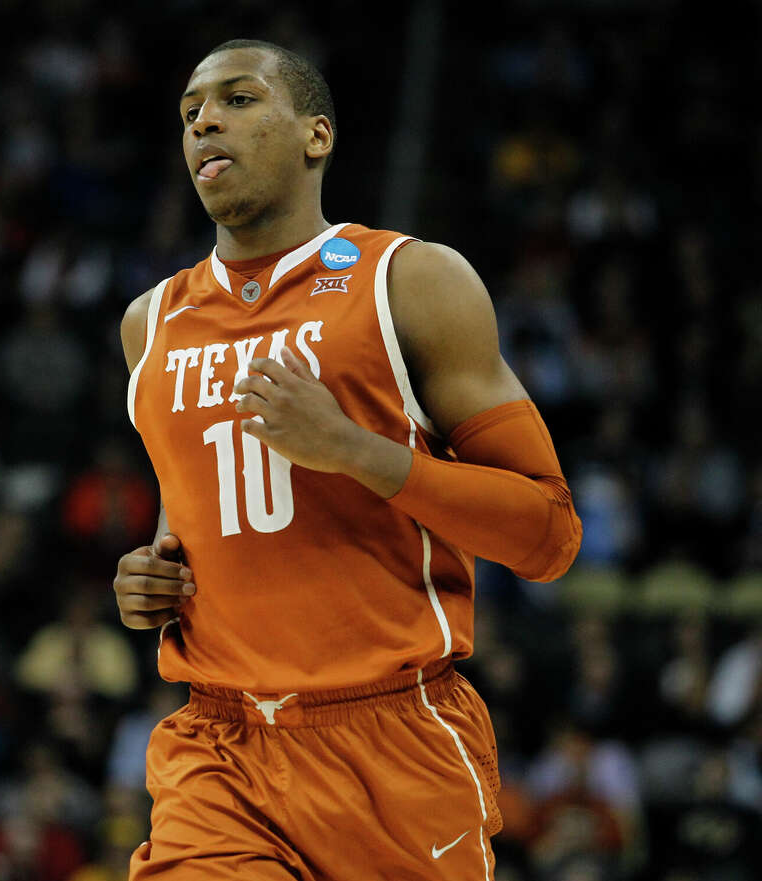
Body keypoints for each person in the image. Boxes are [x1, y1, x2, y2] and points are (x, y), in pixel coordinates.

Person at [112, 39, 582, 880]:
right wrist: (148, 577)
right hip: (218, 746)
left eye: (238, 99)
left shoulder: (411, 281)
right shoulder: (152, 324)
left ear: (315, 135)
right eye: (189, 112)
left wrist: (354, 451)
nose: (204, 120)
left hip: (395, 742)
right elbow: (187, 515)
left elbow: (549, 535)